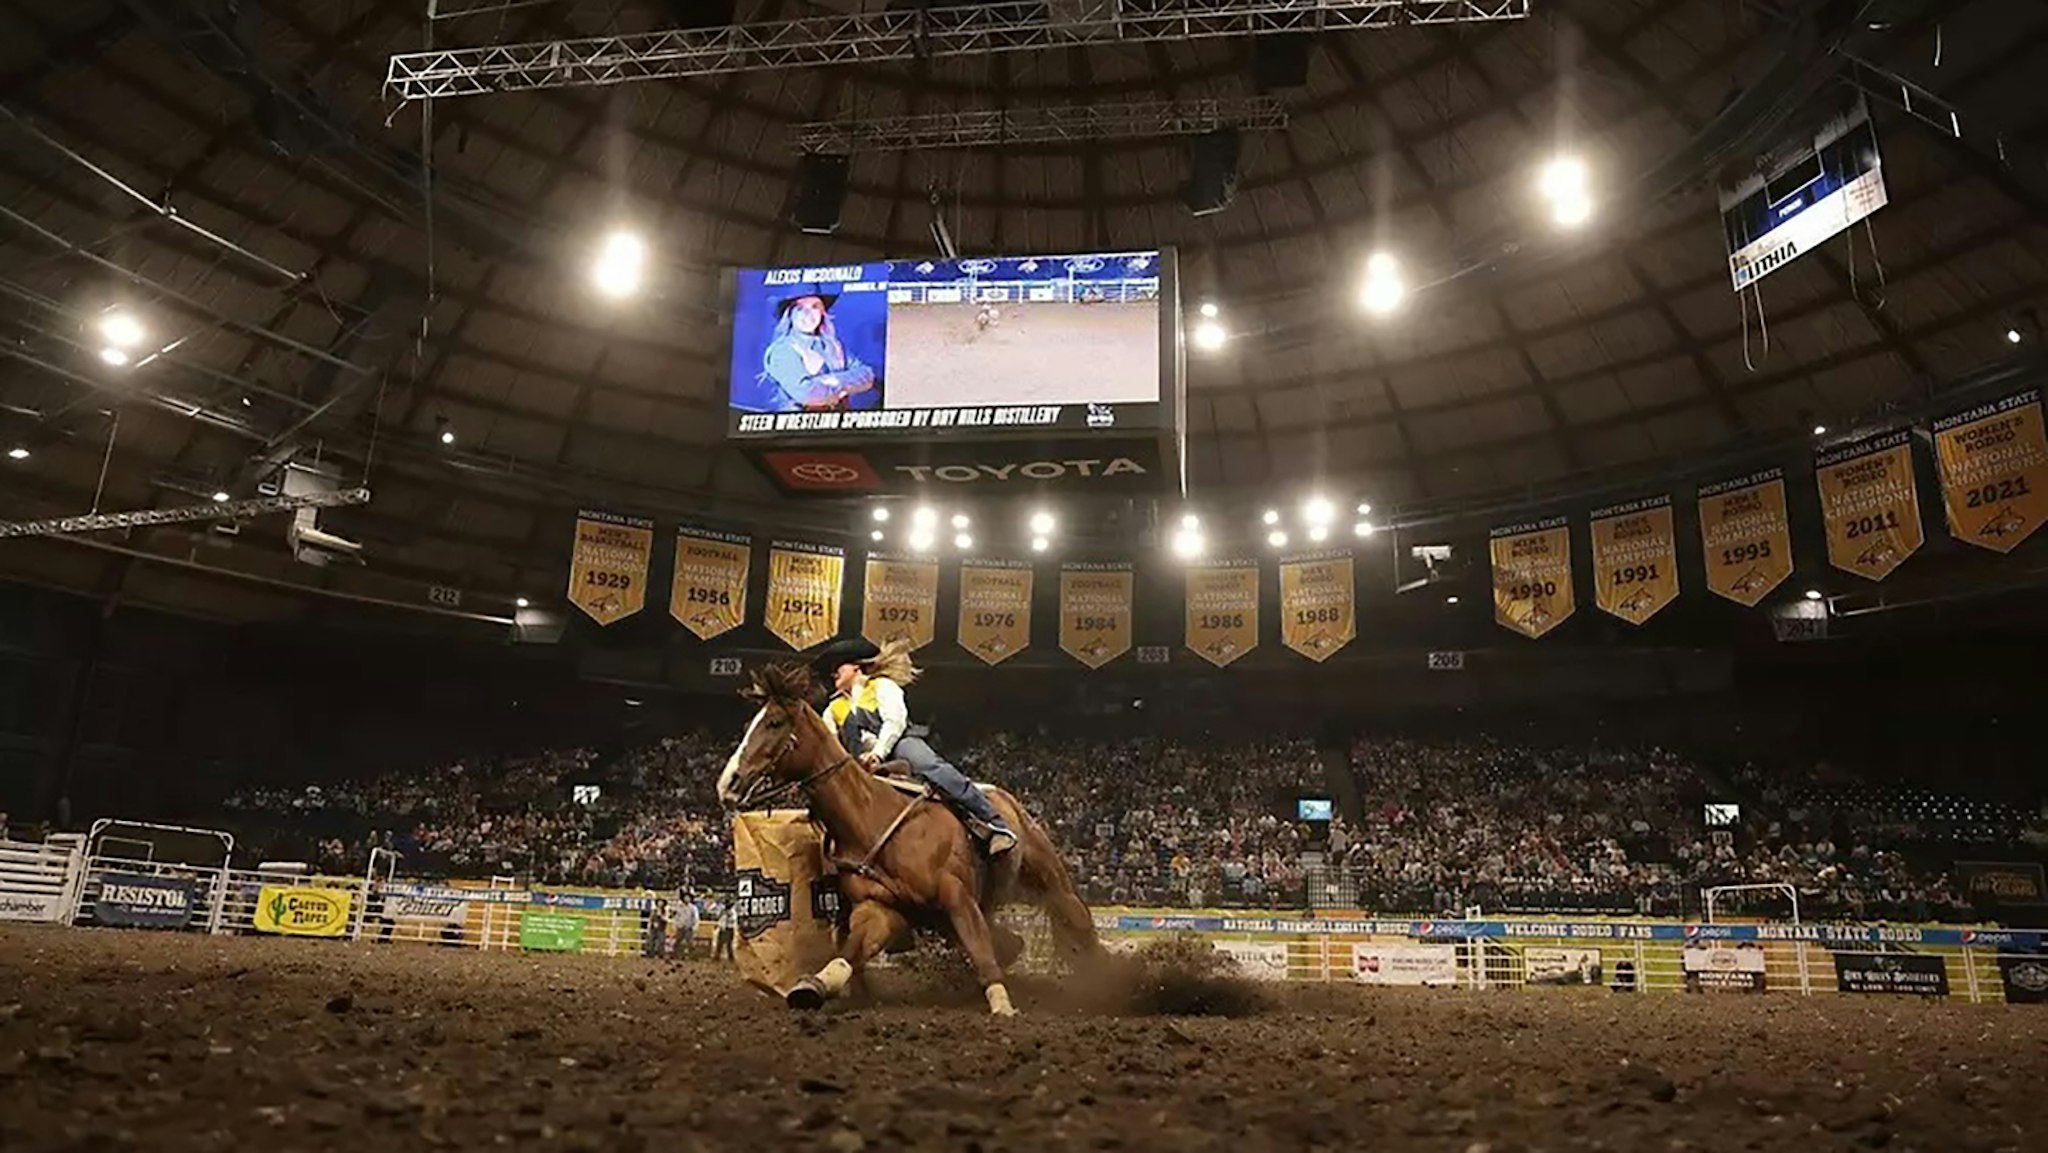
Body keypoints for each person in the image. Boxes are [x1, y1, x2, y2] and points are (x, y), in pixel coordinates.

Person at [814, 636, 1017, 855]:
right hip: (858, 762)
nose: (833, 672)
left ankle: (995, 823)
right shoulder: (832, 709)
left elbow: (895, 721)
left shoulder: (882, 686)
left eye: (838, 666)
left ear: (856, 667)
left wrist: (878, 754)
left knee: (929, 765)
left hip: (897, 744)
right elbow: (830, 744)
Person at [759, 284, 877, 411]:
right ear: (789, 315)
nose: (808, 314)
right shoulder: (783, 350)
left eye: (815, 307)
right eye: (800, 309)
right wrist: (846, 384)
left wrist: (833, 380)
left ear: (822, 313)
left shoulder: (834, 345)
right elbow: (808, 395)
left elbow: (867, 375)